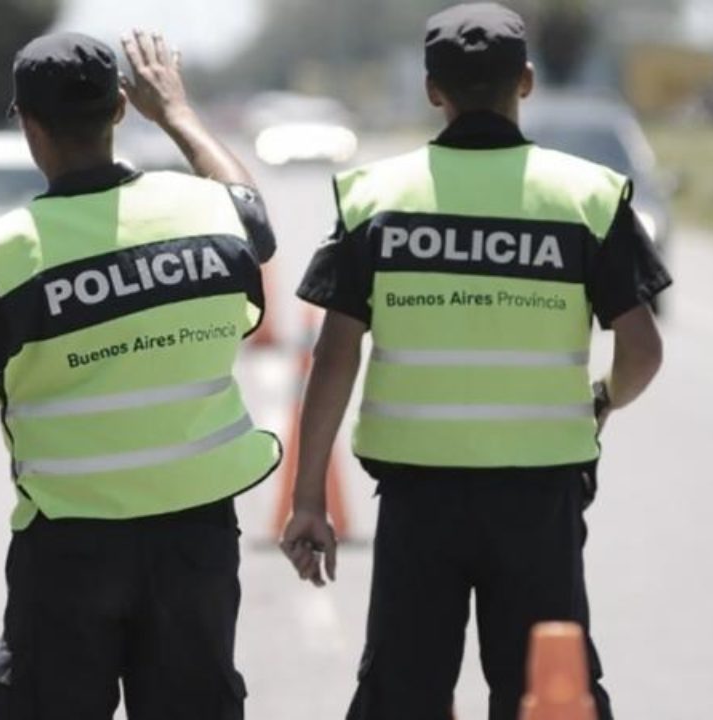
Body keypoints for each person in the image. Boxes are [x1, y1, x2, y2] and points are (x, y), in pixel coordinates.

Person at [0, 30, 281, 719]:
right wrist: (178, 115)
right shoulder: (210, 213)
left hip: (73, 547)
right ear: (118, 113)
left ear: (27, 123)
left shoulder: (4, 256)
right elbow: (251, 210)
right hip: (195, 541)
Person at [279, 3, 670, 719]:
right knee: (544, 690)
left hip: (417, 501)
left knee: (403, 694)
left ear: (435, 90)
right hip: (538, 500)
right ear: (525, 81)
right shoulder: (584, 197)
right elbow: (642, 350)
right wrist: (603, 399)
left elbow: (334, 357)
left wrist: (308, 499)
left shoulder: (376, 200)